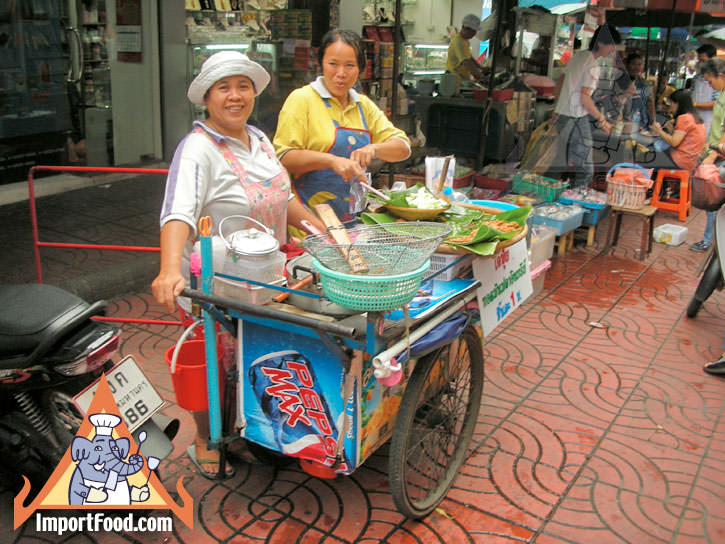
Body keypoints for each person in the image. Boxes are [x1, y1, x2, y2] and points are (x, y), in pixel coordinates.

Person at [151, 50, 323, 478]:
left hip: (268, 277)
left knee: (257, 357)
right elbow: (177, 213)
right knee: (217, 362)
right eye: (223, 88)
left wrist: (320, 231)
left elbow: (284, 199)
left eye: (242, 86)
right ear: (206, 98)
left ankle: (247, 432)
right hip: (220, 281)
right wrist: (169, 269)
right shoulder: (197, 149)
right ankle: (206, 439)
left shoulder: (260, 140)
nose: (235, 96)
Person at [273, 29, 411, 221]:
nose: (341, 73)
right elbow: (284, 157)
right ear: (321, 63)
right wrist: (332, 161)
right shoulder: (301, 99)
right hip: (310, 221)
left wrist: (374, 148)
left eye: (349, 65)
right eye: (333, 64)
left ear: (359, 68)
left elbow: (403, 148)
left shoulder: (363, 105)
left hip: (355, 220)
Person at [548, 25, 621, 189]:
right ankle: (576, 201)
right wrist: (602, 119)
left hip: (563, 116)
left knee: (561, 161)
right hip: (575, 119)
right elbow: (584, 99)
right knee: (585, 169)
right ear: (602, 44)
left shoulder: (578, 56)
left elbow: (560, 81)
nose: (612, 50)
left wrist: (556, 108)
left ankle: (540, 192)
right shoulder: (592, 65)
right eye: (612, 46)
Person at [691, 58, 725, 252]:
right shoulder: (721, 95)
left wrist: (713, 154)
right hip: (714, 150)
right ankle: (710, 240)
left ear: (720, 75)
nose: (710, 85)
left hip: (719, 155)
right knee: (711, 200)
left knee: (713, 199)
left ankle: (710, 241)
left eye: (710, 81)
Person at [646, 90, 706, 171]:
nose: (670, 107)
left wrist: (659, 130)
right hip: (690, 162)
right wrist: (670, 129)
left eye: (671, 103)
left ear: (678, 103)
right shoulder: (696, 117)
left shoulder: (684, 118)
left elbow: (674, 142)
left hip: (680, 161)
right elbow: (683, 139)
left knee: (646, 159)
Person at [446, 14, 485, 85]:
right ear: (464, 28)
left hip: (463, 78)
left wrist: (480, 67)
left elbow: (469, 57)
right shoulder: (457, 41)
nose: (474, 34)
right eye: (473, 31)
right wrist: (479, 75)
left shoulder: (465, 41)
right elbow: (466, 61)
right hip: (454, 79)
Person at [624, 52, 655, 129]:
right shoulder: (618, 82)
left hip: (640, 125)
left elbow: (650, 104)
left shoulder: (645, 84)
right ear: (627, 65)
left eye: (639, 64)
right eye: (634, 64)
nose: (637, 67)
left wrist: (653, 123)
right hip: (620, 124)